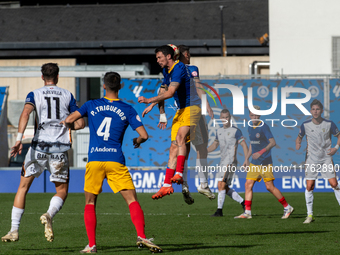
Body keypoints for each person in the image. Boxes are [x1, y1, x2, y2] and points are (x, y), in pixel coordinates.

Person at [64, 72, 162, 253]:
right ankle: (141, 235)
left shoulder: (91, 104)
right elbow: (144, 135)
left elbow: (69, 120)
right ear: (121, 87)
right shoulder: (127, 108)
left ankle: (92, 245)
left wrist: (72, 128)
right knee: (132, 200)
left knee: (90, 203)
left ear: (104, 86)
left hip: (94, 160)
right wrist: (137, 142)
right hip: (115, 160)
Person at [1, 63, 85, 243]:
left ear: (42, 77)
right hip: (59, 149)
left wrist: (18, 139)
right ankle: (49, 214)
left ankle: (14, 230)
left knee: (22, 188)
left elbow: (25, 113)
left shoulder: (35, 94)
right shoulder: (67, 95)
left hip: (38, 147)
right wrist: (68, 124)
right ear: (58, 76)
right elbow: (80, 124)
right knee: (61, 191)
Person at [138, 45, 201, 200]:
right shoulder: (167, 71)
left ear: (168, 56)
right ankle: (166, 185)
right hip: (181, 110)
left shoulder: (179, 67)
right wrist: (154, 107)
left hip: (192, 108)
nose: (157, 61)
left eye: (159, 57)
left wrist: (148, 100)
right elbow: (163, 90)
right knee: (173, 146)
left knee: (180, 138)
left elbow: (171, 92)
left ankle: (179, 173)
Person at [234, 105, 294, 219]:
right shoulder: (250, 127)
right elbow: (252, 144)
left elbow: (273, 142)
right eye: (252, 115)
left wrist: (260, 152)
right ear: (249, 116)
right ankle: (247, 212)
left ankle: (287, 207)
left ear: (260, 115)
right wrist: (247, 158)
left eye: (256, 115)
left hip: (265, 162)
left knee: (269, 187)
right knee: (248, 184)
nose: (254, 117)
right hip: (254, 162)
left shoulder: (264, 127)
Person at [177, 44, 215, 203]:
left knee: (183, 148)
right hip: (194, 112)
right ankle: (203, 184)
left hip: (180, 114)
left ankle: (184, 184)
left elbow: (164, 90)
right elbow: (198, 87)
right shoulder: (191, 68)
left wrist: (160, 111)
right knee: (202, 148)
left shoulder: (172, 70)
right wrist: (206, 105)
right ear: (186, 54)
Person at [296, 99, 340, 224]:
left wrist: (335, 148)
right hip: (311, 160)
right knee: (310, 186)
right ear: (310, 111)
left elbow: (339, 136)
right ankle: (310, 215)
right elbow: (298, 138)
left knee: (334, 184)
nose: (315, 111)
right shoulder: (305, 125)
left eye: (317, 109)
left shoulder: (329, 124)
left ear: (321, 111)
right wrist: (298, 143)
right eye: (313, 109)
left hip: (326, 158)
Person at [208, 109, 248, 217]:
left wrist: (246, 159)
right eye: (223, 117)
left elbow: (244, 145)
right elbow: (215, 145)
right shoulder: (219, 131)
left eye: (227, 117)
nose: (225, 119)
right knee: (224, 187)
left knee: (221, 184)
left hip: (230, 162)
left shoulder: (236, 131)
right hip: (222, 162)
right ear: (220, 118)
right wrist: (204, 151)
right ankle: (244, 203)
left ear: (229, 118)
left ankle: (219, 211)